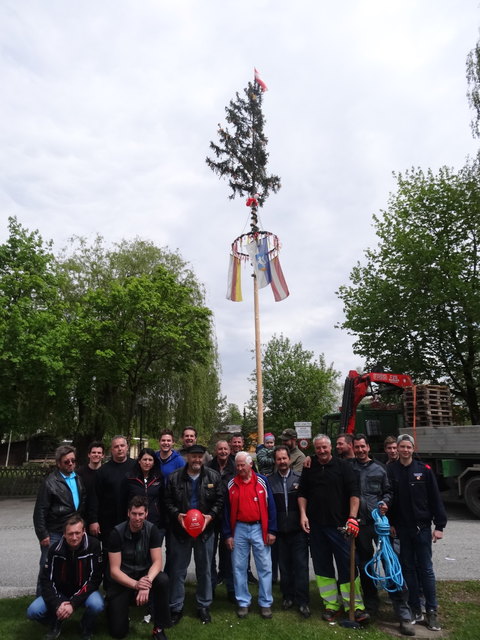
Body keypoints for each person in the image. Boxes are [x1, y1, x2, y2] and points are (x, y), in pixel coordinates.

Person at [298, 434, 369, 624]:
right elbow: (302, 493)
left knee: (347, 566)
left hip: (340, 527)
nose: (321, 451)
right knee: (322, 567)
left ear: (331, 448)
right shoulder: (309, 465)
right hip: (316, 527)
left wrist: (352, 518)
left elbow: (354, 493)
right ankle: (331, 605)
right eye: (318, 448)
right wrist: (303, 515)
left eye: (324, 447)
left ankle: (354, 606)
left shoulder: (344, 467)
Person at [387, 434, 447, 632]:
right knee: (408, 570)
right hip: (402, 529)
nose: (405, 450)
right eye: (402, 447)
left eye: (408, 447)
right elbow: (391, 501)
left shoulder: (424, 470)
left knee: (426, 570)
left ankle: (431, 611)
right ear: (397, 448)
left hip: (422, 529)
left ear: (413, 449)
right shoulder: (392, 471)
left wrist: (439, 526)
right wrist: (392, 523)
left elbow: (435, 499)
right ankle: (414, 609)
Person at [164, 444, 224, 624]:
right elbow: (167, 501)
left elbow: (220, 499)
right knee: (177, 570)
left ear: (204, 457)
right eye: (193, 456)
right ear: (187, 457)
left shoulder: (213, 476)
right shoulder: (174, 477)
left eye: (200, 456)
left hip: (205, 531)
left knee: (204, 570)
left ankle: (203, 606)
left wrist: (210, 516)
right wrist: (177, 515)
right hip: (180, 531)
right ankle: (176, 606)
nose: (197, 460)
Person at [27, 514, 104, 640]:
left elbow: (95, 580)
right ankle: (56, 622)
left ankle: (86, 626)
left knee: (97, 604)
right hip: (61, 593)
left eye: (77, 533)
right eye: (70, 534)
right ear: (64, 534)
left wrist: (73, 604)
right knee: (33, 612)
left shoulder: (94, 545)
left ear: (83, 531)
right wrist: (58, 605)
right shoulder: (54, 549)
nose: (74, 537)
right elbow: (46, 580)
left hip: (84, 592)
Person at [107, 496, 170, 640]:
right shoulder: (116, 533)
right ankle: (112, 607)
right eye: (134, 514)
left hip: (144, 575)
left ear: (146, 513)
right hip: (123, 580)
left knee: (163, 579)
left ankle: (159, 627)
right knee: (118, 632)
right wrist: (136, 584)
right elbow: (114, 571)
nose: (137, 518)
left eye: (141, 514)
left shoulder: (152, 530)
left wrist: (146, 583)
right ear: (128, 513)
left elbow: (157, 562)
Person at [223, 451, 277, 620]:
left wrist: (272, 530)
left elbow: (272, 507)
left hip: (259, 528)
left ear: (250, 464)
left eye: (242, 465)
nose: (239, 468)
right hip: (239, 529)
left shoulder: (262, 481)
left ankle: (265, 603)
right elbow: (226, 511)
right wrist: (228, 535)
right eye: (237, 466)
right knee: (238, 567)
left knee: (265, 567)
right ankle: (243, 602)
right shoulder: (231, 484)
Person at [33, 445, 86, 596]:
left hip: (74, 531)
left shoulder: (78, 479)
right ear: (58, 463)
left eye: (73, 461)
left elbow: (82, 504)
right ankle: (41, 600)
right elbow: (40, 510)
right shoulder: (50, 482)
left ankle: (72, 598)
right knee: (47, 566)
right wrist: (42, 534)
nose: (70, 464)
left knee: (72, 565)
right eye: (66, 462)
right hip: (55, 531)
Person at [351, 434, 393, 617]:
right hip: (361, 525)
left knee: (388, 560)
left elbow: (389, 491)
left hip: (378, 524)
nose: (360, 450)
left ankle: (397, 599)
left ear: (368, 447)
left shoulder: (380, 469)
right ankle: (371, 602)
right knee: (365, 563)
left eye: (362, 447)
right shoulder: (349, 468)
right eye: (357, 447)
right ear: (353, 449)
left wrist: (385, 503)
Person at [267, 446, 310, 618]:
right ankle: (287, 596)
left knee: (300, 566)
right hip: (279, 531)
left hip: (297, 530)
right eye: (279, 459)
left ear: (289, 459)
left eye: (284, 458)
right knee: (284, 567)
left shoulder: (300, 478)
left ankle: (303, 601)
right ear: (275, 461)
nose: (282, 462)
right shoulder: (269, 481)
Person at [88, 435, 136, 546]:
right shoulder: (102, 471)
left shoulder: (136, 467)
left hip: (131, 519)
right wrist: (93, 520)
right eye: (116, 446)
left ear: (127, 447)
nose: (120, 449)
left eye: (122, 445)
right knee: (108, 555)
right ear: (111, 450)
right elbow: (94, 497)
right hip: (108, 522)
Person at [208, 440, 236, 602]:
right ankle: (210, 588)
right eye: (220, 449)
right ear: (215, 450)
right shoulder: (208, 467)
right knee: (209, 554)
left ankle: (231, 589)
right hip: (211, 516)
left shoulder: (235, 467)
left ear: (229, 450)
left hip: (229, 516)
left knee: (229, 554)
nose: (223, 451)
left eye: (226, 449)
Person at [123, 448, 164, 535]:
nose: (147, 462)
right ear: (139, 461)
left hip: (154, 521)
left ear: (154, 462)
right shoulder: (130, 478)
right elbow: (123, 499)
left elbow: (162, 499)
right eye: (144, 459)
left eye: (150, 460)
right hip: (135, 521)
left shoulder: (159, 478)